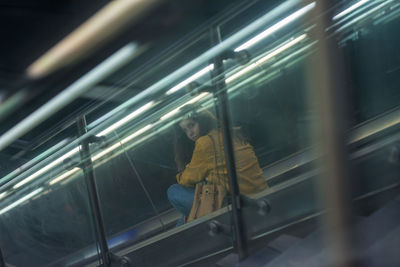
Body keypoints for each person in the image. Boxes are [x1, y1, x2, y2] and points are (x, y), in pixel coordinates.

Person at [167, 107, 268, 226]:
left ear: (203, 121)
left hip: (238, 205)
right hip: (263, 197)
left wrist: (183, 171)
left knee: (174, 191)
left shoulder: (205, 143)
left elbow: (185, 180)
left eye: (192, 125)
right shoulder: (232, 133)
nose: (190, 133)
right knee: (184, 219)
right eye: (185, 130)